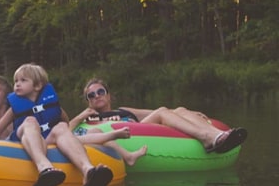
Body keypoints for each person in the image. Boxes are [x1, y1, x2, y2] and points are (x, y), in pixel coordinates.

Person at [0, 33, 144, 170]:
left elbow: (62, 121)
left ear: (11, 96)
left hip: (48, 146)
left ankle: (92, 166)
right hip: (1, 167)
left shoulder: (27, 112)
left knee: (65, 131)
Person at [0, 63, 114, 186]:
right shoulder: (14, 109)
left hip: (47, 141)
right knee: (30, 121)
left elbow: (67, 125)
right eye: (16, 81)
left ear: (37, 85)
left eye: (23, 80)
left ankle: (88, 171)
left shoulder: (53, 106)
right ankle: (45, 168)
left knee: (61, 126)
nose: (17, 84)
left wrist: (72, 137)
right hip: (25, 142)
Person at [70, 78, 248, 154]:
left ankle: (216, 135)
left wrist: (188, 112)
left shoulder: (123, 110)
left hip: (141, 127)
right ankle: (207, 138)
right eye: (91, 95)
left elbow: (157, 113)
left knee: (177, 109)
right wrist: (79, 117)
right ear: (88, 102)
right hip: (128, 135)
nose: (97, 96)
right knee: (163, 110)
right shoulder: (89, 118)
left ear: (109, 95)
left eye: (100, 91)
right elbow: (67, 131)